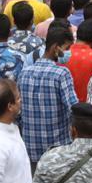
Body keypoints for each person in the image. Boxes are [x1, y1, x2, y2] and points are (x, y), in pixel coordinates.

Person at [17, 26, 78, 166]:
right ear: (56, 47)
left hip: (31, 150)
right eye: (67, 48)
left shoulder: (24, 73)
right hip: (58, 152)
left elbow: (19, 112)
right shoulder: (61, 74)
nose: (68, 53)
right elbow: (74, 109)